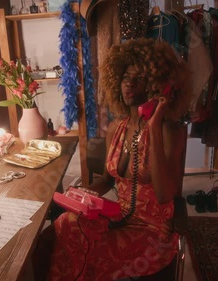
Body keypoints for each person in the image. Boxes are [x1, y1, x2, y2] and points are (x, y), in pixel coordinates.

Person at [33, 38, 193, 281]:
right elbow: (107, 181)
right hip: (120, 216)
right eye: (125, 77)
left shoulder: (169, 131)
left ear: (157, 87)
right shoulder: (116, 126)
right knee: (64, 225)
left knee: (83, 248)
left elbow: (164, 195)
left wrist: (154, 124)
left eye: (139, 79)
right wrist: (80, 196)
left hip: (153, 231)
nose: (129, 84)